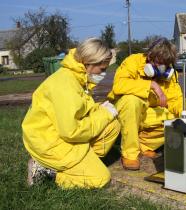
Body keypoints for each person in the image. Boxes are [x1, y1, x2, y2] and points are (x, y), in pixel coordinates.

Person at [22, 38, 120, 189]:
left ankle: (83, 164)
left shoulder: (76, 76)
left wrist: (100, 110)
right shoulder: (65, 84)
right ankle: (48, 170)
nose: (104, 74)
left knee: (112, 125)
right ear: (88, 63)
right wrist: (104, 114)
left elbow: (80, 110)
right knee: (100, 179)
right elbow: (71, 132)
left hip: (58, 135)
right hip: (49, 143)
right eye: (102, 69)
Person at [107, 38, 186, 170]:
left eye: (166, 64)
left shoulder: (170, 75)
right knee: (131, 101)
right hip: (124, 111)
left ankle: (144, 145)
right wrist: (151, 85)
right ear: (150, 57)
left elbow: (176, 99)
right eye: (159, 62)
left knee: (176, 120)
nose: (162, 68)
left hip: (147, 113)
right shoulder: (133, 61)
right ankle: (130, 154)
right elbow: (119, 86)